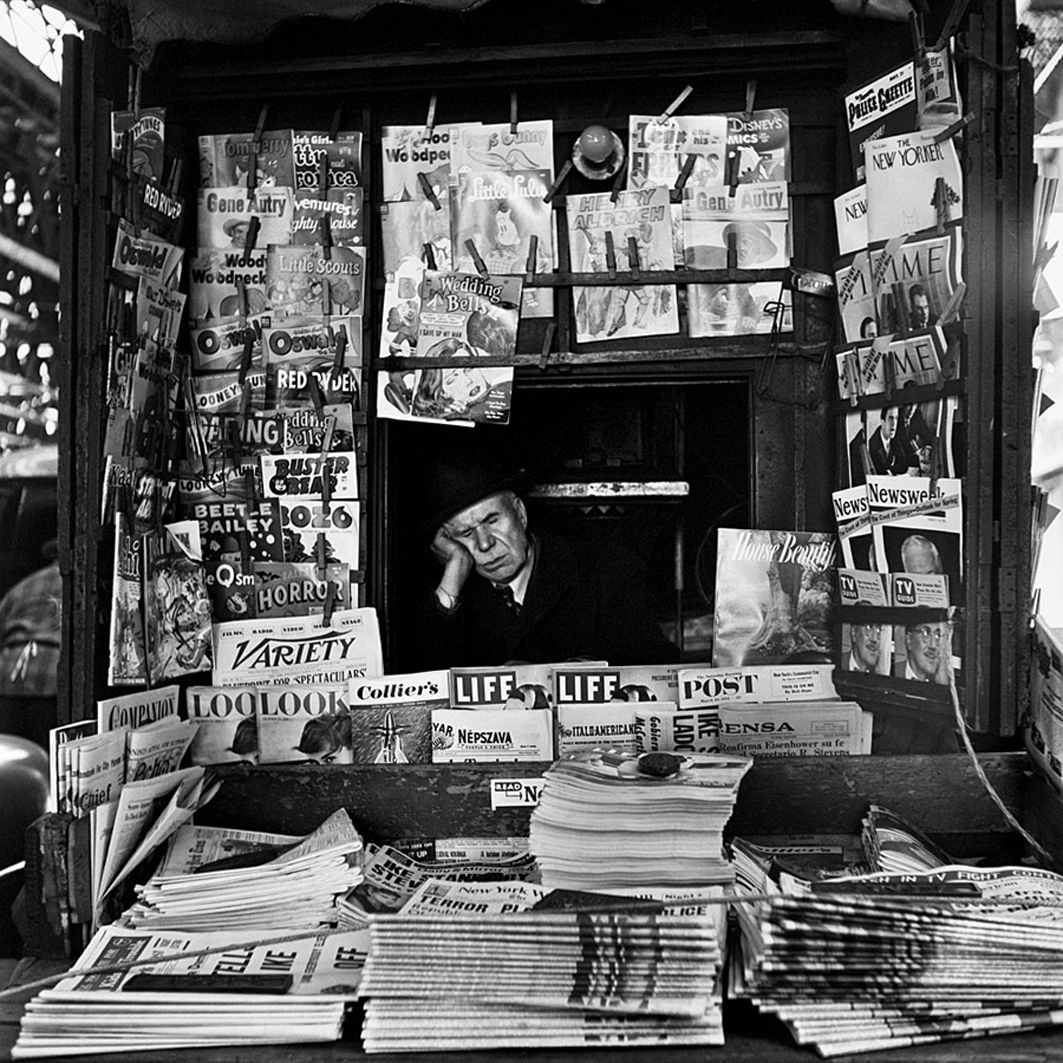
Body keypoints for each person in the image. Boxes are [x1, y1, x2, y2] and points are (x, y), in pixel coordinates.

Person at [411, 452, 679, 669]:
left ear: (520, 513)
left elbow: (655, 668)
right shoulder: (447, 595)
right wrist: (455, 569)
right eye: (465, 534)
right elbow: (424, 683)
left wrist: (556, 674)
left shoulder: (608, 570)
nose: (484, 543)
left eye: (492, 521)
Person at [0, 540, 60, 751]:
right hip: (51, 681)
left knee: (11, 757)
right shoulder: (78, 582)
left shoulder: (23, 586)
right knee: (46, 759)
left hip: (8, 679)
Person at [867, 406, 908, 476]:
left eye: (896, 418)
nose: (894, 424)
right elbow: (878, 472)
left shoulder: (895, 438)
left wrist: (891, 471)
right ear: (883, 422)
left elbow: (904, 465)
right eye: (890, 418)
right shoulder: (873, 443)